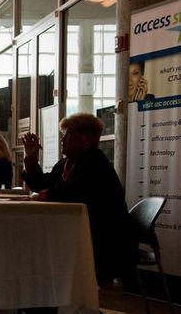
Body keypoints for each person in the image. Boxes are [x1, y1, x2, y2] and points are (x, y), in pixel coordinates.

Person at [21, 113, 137, 284]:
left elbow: (74, 192)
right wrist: (31, 158)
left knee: (40, 248)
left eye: (67, 134)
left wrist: (42, 195)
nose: (62, 139)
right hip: (81, 233)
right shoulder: (66, 163)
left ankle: (62, 302)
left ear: (86, 139)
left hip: (104, 240)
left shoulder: (94, 161)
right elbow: (42, 183)